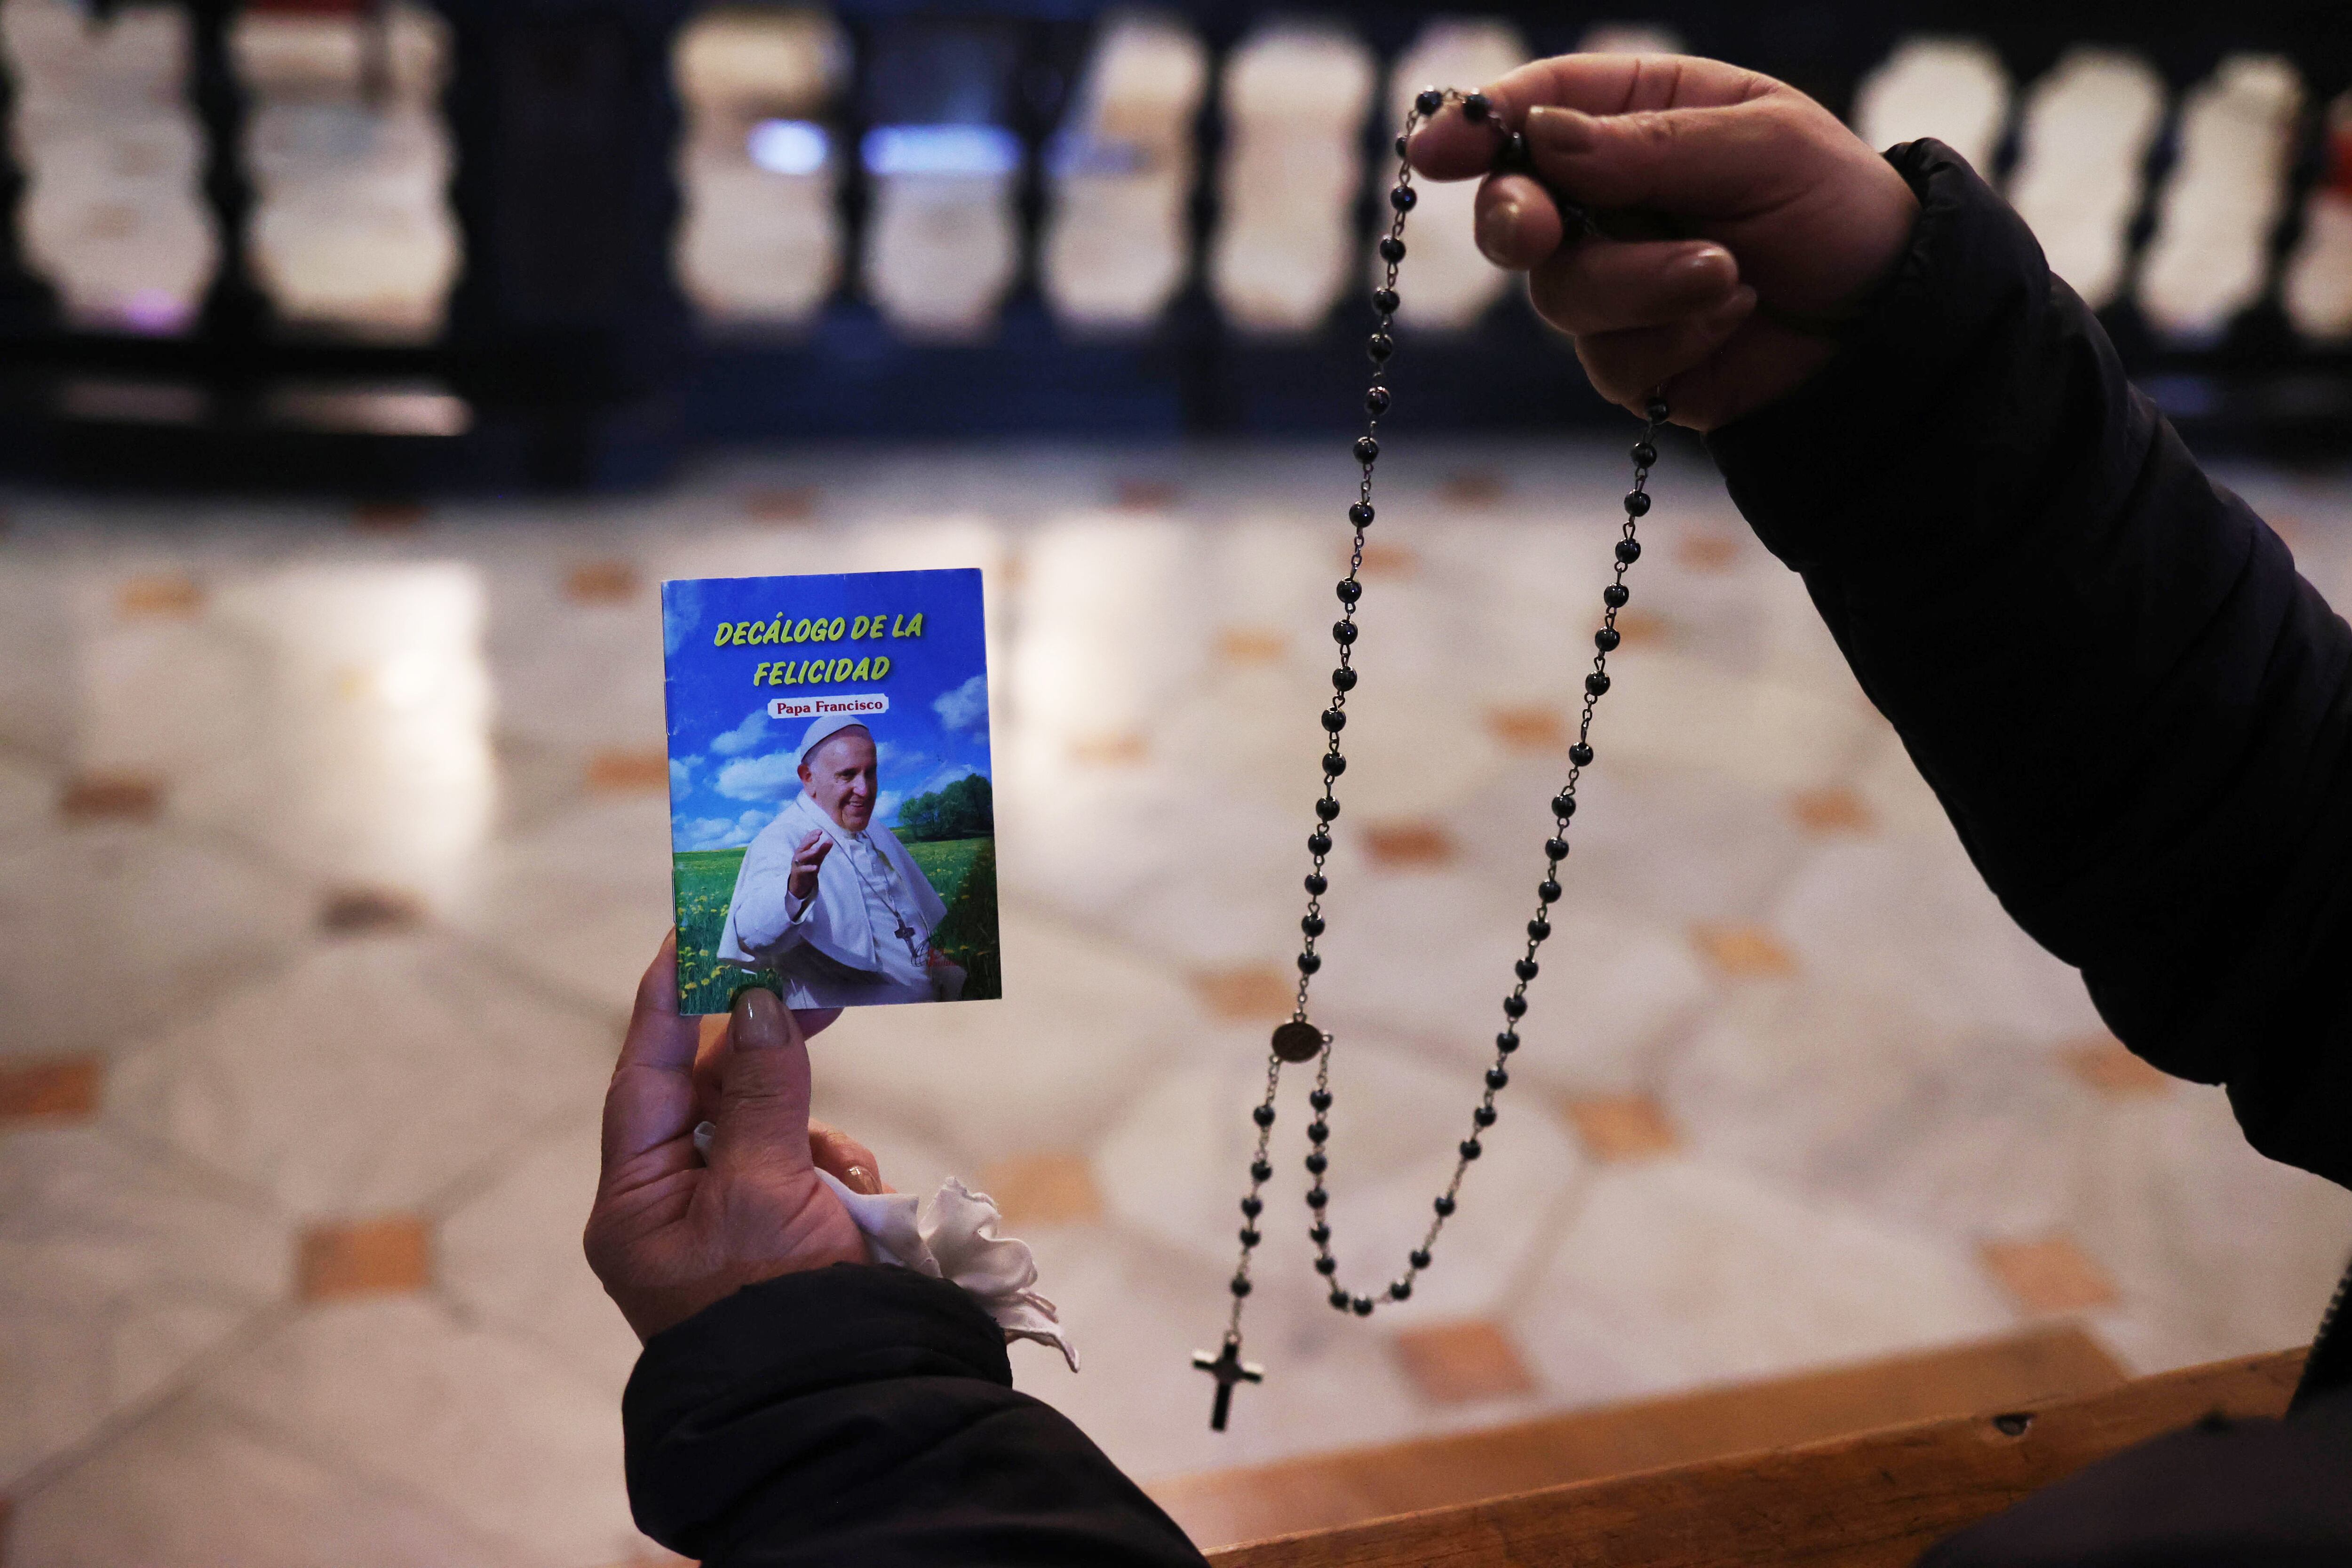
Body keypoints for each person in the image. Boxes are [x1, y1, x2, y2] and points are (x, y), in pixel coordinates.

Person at [589, 50, 2352, 1566]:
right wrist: (1913, 358)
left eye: (863, 769)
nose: (854, 783)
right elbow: (2307, 869)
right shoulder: (789, 852)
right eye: (835, 772)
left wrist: (813, 1388)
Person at [717, 713, 965, 1008]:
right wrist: (795, 891)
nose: (865, 790)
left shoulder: (875, 829)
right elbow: (753, 934)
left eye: (870, 773)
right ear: (808, 778)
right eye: (847, 775)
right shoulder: (780, 839)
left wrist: (939, 967)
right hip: (841, 1017)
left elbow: (903, 919)